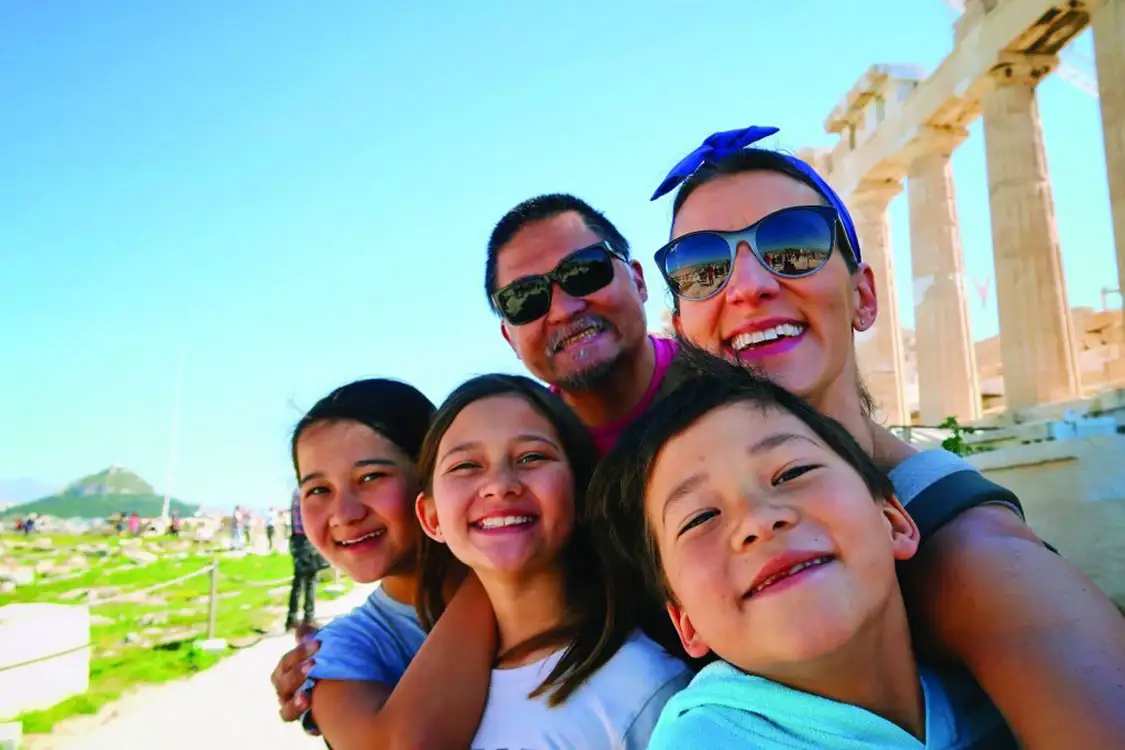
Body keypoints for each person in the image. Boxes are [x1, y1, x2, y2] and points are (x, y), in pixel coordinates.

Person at [487, 162, 1125, 742]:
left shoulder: (971, 553)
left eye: (793, 246)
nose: (748, 286)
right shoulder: (576, 455)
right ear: (682, 328)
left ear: (864, 295)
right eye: (705, 268)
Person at [592, 346, 1015, 749]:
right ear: (687, 622)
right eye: (700, 518)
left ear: (893, 520)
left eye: (793, 472)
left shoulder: (1007, 683)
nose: (758, 520)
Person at [412, 374, 689, 747]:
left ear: (583, 493)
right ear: (431, 518)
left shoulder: (646, 688)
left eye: (532, 457)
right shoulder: (429, 692)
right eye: (465, 466)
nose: (499, 484)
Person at [272, 378, 494, 750]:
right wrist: (498, 574)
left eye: (371, 477)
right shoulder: (338, 652)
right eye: (318, 490)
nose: (344, 514)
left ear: (434, 475)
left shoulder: (565, 582)